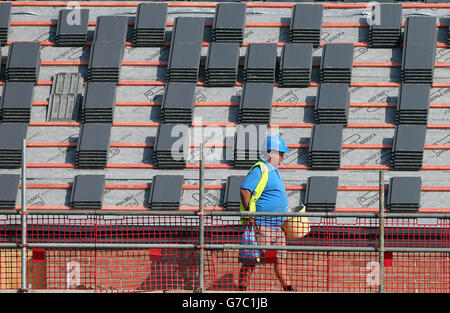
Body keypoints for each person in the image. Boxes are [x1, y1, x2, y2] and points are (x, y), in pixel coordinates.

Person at [237, 135, 296, 291]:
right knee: (252, 260)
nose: (283, 157)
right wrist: (250, 215)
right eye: (281, 153)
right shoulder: (260, 169)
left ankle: (288, 288)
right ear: (271, 154)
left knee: (280, 261)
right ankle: (241, 289)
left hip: (277, 227)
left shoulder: (273, 171)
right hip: (262, 226)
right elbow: (245, 190)